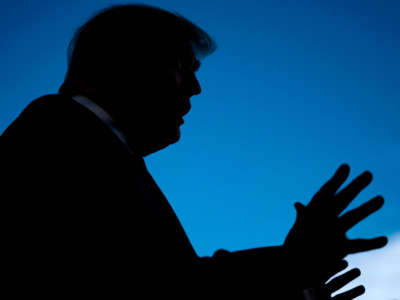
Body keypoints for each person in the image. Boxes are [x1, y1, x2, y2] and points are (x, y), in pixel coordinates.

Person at [1, 4, 387, 298]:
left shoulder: (88, 147)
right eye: (183, 67)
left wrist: (292, 284)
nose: (194, 89)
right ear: (123, 65)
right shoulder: (57, 133)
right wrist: (292, 264)